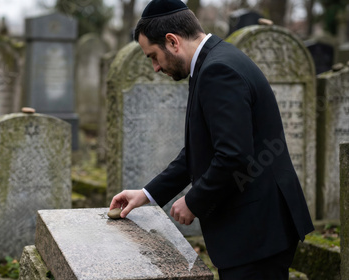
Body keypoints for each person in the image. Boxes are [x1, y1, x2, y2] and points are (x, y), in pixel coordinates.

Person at [109, 0, 314, 279]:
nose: (155, 67)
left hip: (257, 233)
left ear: (172, 41)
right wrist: (147, 194)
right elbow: (198, 149)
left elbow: (234, 155)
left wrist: (194, 200)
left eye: (153, 56)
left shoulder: (219, 71)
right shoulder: (212, 62)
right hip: (258, 229)